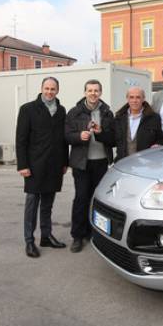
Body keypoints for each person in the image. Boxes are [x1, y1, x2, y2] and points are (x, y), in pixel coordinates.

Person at [16, 77, 69, 258]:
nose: (49, 92)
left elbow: (63, 139)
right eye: (47, 88)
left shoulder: (61, 110)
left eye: (53, 89)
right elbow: (21, 139)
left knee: (48, 204)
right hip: (34, 165)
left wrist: (65, 162)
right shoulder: (28, 109)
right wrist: (22, 165)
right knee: (32, 204)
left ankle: (46, 236)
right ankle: (29, 241)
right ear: (41, 89)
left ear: (57, 90)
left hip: (54, 165)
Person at [65, 79, 115, 253]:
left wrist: (101, 133)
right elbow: (66, 136)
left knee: (97, 200)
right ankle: (78, 236)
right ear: (85, 92)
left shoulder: (107, 113)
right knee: (81, 198)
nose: (93, 93)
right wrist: (79, 136)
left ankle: (94, 232)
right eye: (90, 90)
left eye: (96, 90)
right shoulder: (74, 112)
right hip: (81, 163)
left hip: (101, 162)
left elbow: (113, 139)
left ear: (100, 92)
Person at [114, 86, 163, 161]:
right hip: (123, 162)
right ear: (127, 98)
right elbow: (112, 139)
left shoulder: (153, 118)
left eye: (138, 97)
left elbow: (161, 139)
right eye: (131, 97)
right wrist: (100, 133)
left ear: (143, 99)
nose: (134, 100)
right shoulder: (119, 118)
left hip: (145, 162)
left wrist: (158, 144)